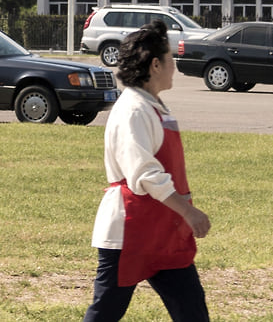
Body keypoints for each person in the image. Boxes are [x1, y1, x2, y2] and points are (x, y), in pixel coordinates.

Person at [83, 19, 212, 322]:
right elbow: (144, 174)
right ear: (155, 64)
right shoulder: (134, 110)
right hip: (130, 232)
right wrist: (190, 212)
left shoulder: (152, 105)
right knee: (105, 313)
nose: (174, 67)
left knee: (193, 312)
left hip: (164, 231)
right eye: (170, 59)